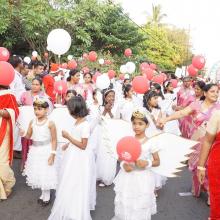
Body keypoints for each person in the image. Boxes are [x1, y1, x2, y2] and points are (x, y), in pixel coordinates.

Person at [159, 83, 220, 199]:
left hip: (213, 144)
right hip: (197, 141)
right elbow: (181, 113)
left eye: (217, 92)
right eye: (212, 91)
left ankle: (211, 195)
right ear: (205, 93)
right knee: (197, 166)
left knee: (211, 168)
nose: (216, 94)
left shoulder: (219, 108)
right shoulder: (197, 105)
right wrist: (166, 119)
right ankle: (197, 187)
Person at [48, 96, 92, 220]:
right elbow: (77, 137)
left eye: (69, 109)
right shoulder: (78, 121)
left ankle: (76, 210)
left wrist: (68, 138)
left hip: (79, 157)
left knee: (76, 181)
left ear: (75, 110)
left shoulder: (85, 125)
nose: (69, 112)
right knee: (69, 179)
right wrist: (69, 144)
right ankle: (69, 205)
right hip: (73, 154)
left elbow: (83, 145)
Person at [112, 110, 160, 220]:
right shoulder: (128, 140)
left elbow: (157, 161)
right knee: (126, 202)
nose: (136, 126)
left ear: (147, 125)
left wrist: (147, 163)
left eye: (140, 124)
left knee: (140, 204)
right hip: (127, 177)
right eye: (134, 123)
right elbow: (121, 156)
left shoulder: (150, 142)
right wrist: (123, 164)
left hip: (143, 178)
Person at [22, 97, 57, 206]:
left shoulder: (50, 123)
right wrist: (23, 134)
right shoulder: (32, 121)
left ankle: (46, 196)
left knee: (46, 172)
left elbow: (54, 139)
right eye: (35, 109)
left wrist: (53, 154)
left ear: (46, 110)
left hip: (46, 150)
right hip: (35, 150)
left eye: (40, 109)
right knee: (39, 171)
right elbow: (28, 136)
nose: (37, 111)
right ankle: (43, 193)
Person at [197, 110, 220, 220]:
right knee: (218, 200)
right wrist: (201, 166)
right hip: (218, 166)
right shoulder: (218, 114)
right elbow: (207, 141)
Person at [96, 89, 120, 187]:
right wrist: (105, 110)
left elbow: (116, 120)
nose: (111, 98)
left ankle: (107, 178)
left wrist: (110, 112)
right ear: (105, 97)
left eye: (112, 96)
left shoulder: (117, 107)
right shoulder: (100, 107)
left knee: (110, 156)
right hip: (102, 133)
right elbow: (99, 121)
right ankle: (99, 176)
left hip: (112, 134)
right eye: (109, 96)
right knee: (101, 154)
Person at [0, 85, 19, 200]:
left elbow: (14, 112)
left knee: (2, 162)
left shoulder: (8, 94)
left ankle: (9, 183)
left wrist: (2, 112)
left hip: (2, 131)